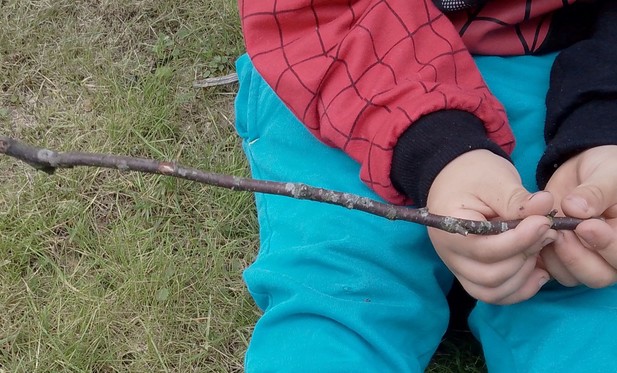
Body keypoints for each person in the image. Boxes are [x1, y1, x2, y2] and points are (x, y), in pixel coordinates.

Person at [234, 0, 617, 371]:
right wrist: (437, 148)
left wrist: (604, 126)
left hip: (574, 63)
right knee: (341, 292)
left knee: (589, 281)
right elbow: (314, 14)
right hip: (340, 68)